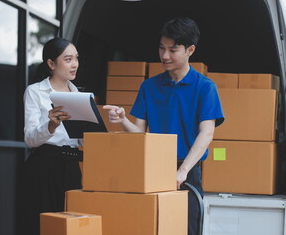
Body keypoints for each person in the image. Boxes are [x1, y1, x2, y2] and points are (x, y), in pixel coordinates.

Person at [104, 18, 224, 235]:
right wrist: (122, 120)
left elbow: (206, 134)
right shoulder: (149, 87)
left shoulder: (205, 88)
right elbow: (139, 134)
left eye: (173, 50)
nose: (165, 56)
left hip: (187, 173)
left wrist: (183, 171)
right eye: (161, 48)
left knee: (186, 229)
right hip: (153, 170)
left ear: (190, 50)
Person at [20, 37, 83, 235]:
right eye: (68, 59)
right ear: (51, 64)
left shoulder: (81, 95)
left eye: (76, 58)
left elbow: (83, 140)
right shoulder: (35, 92)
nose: (75, 64)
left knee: (71, 226)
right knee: (41, 226)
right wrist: (50, 125)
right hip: (43, 167)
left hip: (72, 167)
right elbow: (30, 139)